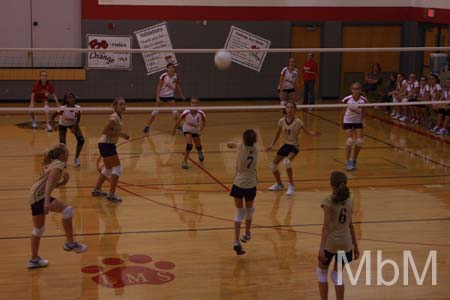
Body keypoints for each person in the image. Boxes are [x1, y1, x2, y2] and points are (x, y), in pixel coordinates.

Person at [28, 143, 87, 269]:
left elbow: (49, 184)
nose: (68, 154)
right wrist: (46, 202)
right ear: (61, 155)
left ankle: (33, 260)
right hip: (39, 196)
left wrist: (64, 182)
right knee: (68, 211)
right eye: (67, 153)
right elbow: (49, 183)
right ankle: (70, 243)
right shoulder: (59, 165)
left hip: (34, 195)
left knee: (39, 229)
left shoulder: (52, 163)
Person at [317, 171, 359, 300]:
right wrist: (355, 246)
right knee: (337, 275)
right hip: (346, 244)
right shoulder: (351, 198)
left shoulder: (328, 200)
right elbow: (350, 224)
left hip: (331, 244)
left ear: (331, 184)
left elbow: (327, 227)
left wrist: (321, 248)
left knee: (321, 273)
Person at [266, 102, 320, 196]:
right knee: (273, 165)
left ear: (295, 110)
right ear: (285, 109)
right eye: (287, 107)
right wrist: (272, 145)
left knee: (287, 162)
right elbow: (277, 134)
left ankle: (291, 185)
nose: (289, 109)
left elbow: (307, 132)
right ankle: (279, 184)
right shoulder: (281, 121)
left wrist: (314, 134)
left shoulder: (298, 122)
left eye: (291, 107)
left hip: (294, 146)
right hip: (285, 145)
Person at [92, 97, 129, 202]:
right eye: (120, 104)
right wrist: (121, 134)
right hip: (107, 144)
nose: (123, 106)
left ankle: (97, 189)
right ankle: (111, 194)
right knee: (117, 168)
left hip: (106, 144)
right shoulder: (114, 118)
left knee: (108, 168)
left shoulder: (119, 116)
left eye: (124, 104)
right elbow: (105, 131)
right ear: (115, 106)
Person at [227, 129, 258, 255]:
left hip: (239, 183)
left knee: (239, 213)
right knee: (249, 211)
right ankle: (247, 233)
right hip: (251, 184)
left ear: (243, 140)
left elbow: (232, 144)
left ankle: (235, 241)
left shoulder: (241, 148)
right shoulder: (256, 149)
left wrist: (232, 145)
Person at [144, 63, 186, 133]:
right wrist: (157, 98)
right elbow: (159, 87)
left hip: (170, 97)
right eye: (170, 68)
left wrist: (181, 95)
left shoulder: (175, 76)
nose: (171, 69)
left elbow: (178, 86)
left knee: (175, 112)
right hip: (161, 96)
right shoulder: (163, 76)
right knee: (155, 112)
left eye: (173, 67)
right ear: (167, 69)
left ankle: (178, 127)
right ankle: (147, 126)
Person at [51, 92, 84, 166]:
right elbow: (52, 117)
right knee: (62, 144)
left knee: (81, 140)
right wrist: (53, 125)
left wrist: (74, 128)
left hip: (73, 124)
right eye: (68, 98)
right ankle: (63, 160)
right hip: (63, 124)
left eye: (72, 97)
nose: (71, 99)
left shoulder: (77, 108)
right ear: (66, 100)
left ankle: (76, 158)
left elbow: (78, 119)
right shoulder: (62, 108)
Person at [172, 98, 206, 169]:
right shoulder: (186, 112)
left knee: (198, 146)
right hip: (187, 129)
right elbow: (178, 121)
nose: (194, 104)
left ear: (198, 104)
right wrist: (174, 130)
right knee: (189, 145)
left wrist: (200, 129)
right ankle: (184, 161)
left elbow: (204, 123)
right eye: (192, 103)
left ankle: (200, 152)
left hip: (196, 130)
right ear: (190, 104)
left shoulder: (201, 113)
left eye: (196, 103)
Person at [341, 82, 367, 171]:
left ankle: (353, 160)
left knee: (360, 141)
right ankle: (347, 162)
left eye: (357, 89)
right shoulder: (347, 99)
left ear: (360, 90)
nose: (356, 91)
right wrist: (341, 122)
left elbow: (364, 111)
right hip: (348, 120)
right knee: (350, 140)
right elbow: (343, 111)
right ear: (351, 90)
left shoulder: (363, 100)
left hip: (357, 121)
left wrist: (363, 121)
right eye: (354, 89)